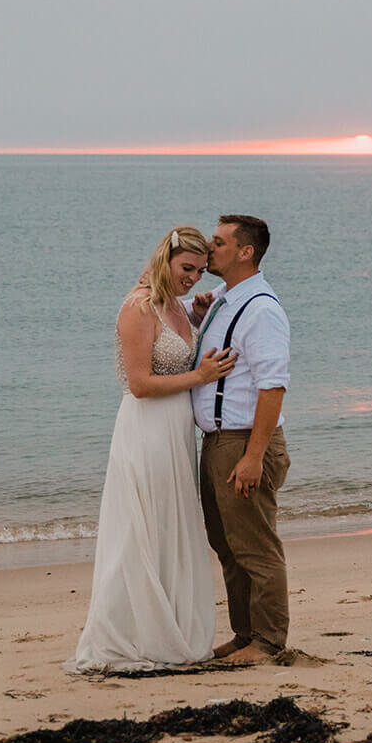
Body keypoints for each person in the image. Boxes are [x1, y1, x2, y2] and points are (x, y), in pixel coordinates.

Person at [69, 226, 237, 672]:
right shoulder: (138, 307)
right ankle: (136, 633)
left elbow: (178, 351)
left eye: (201, 272)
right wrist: (201, 377)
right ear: (165, 258)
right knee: (142, 529)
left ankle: (173, 625)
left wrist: (198, 318)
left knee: (172, 526)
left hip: (177, 434)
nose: (193, 279)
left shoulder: (177, 307)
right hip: (145, 431)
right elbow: (141, 384)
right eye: (186, 269)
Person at [191, 214, 292, 666]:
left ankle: (269, 642)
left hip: (245, 443)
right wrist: (199, 313)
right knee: (226, 544)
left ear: (245, 251)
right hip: (217, 441)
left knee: (255, 545)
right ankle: (245, 633)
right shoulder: (227, 300)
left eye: (218, 242)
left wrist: (253, 456)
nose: (209, 249)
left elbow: (273, 387)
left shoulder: (263, 309)